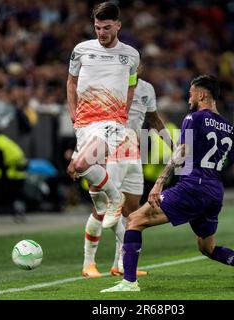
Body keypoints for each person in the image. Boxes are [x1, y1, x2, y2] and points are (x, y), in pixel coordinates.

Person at [101, 75, 234, 292]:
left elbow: (182, 151)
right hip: (215, 192)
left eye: (191, 93)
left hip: (193, 186)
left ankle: (129, 282)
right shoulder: (229, 128)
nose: (189, 98)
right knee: (208, 247)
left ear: (202, 94)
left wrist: (159, 183)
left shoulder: (193, 118)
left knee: (134, 220)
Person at [69, 76, 173, 277]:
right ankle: (88, 264)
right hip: (110, 152)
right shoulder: (108, 84)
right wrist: (77, 153)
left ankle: (121, 264)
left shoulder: (146, 88)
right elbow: (90, 124)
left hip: (134, 154)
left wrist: (173, 146)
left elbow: (154, 120)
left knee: (131, 210)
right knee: (103, 208)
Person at [66, 2, 140, 229]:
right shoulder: (81, 50)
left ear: (118, 25)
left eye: (107, 28)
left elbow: (131, 86)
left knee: (80, 163)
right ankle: (106, 261)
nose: (101, 33)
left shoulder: (131, 55)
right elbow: (71, 82)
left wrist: (123, 115)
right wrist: (73, 114)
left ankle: (116, 198)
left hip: (111, 122)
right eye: (98, 28)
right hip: (85, 124)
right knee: (96, 197)